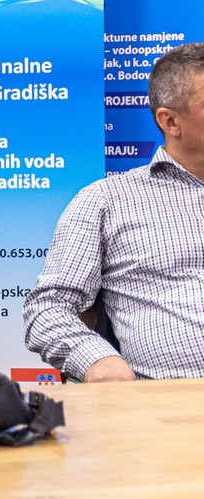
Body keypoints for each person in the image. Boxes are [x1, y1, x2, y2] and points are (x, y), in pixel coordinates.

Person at [23, 42, 204, 382]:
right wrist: (97, 360)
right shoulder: (106, 200)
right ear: (170, 121)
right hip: (168, 399)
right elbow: (47, 308)